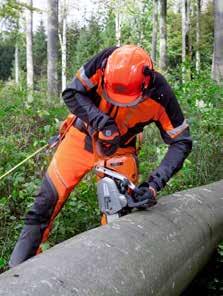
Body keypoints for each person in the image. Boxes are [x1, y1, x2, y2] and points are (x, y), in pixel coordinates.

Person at [9, 45, 192, 267]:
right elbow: (71, 93)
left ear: (146, 84)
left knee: (118, 218)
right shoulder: (104, 61)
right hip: (81, 137)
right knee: (44, 204)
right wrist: (101, 122)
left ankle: (116, 273)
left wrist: (154, 184)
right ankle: (17, 270)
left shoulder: (161, 93)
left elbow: (181, 141)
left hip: (120, 150)